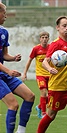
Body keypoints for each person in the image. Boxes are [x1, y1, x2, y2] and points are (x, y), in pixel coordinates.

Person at [0, 3, 35, 133]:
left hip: (3, 73)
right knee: (13, 105)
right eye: (4, 13)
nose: (6, 16)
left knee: (30, 96)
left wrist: (13, 58)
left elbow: (4, 55)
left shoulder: (4, 32)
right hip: (3, 72)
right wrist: (8, 70)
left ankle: (21, 131)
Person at [22, 31, 50, 118]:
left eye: (46, 37)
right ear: (40, 39)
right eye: (43, 37)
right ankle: (44, 113)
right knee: (44, 93)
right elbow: (29, 60)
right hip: (40, 74)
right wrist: (25, 73)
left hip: (50, 75)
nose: (44, 39)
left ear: (48, 39)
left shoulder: (51, 48)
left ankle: (39, 107)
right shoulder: (36, 49)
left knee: (51, 96)